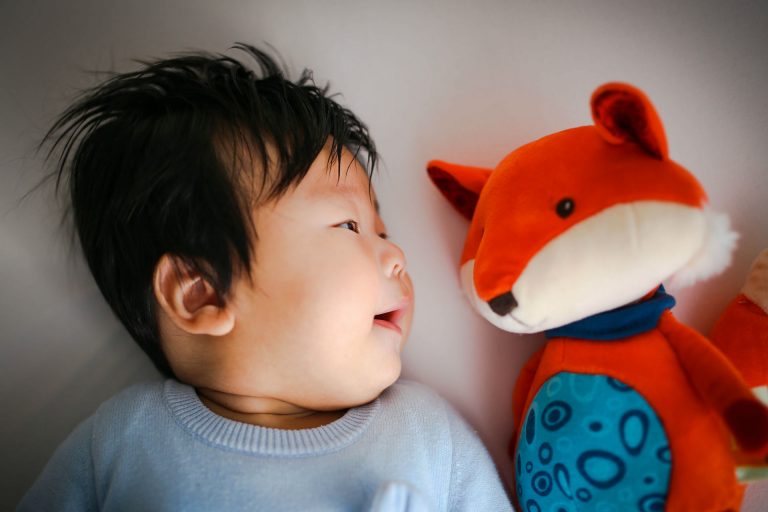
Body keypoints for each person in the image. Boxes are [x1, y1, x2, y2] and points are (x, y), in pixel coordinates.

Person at [18, 43, 512, 512]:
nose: (396, 254)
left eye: (381, 231)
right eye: (348, 225)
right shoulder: (124, 441)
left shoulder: (427, 433)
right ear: (202, 292)